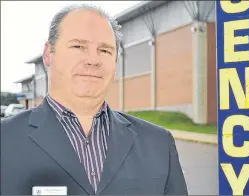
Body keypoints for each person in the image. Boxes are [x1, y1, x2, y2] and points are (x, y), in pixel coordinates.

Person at [1, 4, 188, 195]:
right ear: (48, 54)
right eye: (78, 46)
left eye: (105, 50)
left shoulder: (158, 145)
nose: (93, 60)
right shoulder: (5, 140)